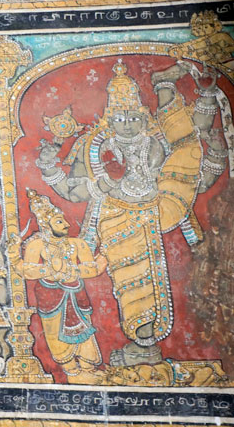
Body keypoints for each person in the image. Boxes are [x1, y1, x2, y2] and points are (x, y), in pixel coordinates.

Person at [35, 59, 227, 366]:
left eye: (134, 118)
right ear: (110, 119)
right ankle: (143, 345)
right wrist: (48, 166)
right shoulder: (93, 147)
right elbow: (74, 192)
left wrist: (214, 147)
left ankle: (164, 85)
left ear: (143, 117)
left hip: (158, 214)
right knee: (129, 288)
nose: (127, 124)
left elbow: (191, 170)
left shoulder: (156, 143)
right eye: (120, 118)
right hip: (115, 220)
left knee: (169, 283)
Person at [9, 188, 107, 384]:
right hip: (50, 298)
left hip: (77, 295)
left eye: (64, 221)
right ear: (46, 224)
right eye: (60, 222)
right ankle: (72, 373)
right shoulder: (37, 245)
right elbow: (27, 271)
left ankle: (88, 368)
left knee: (85, 333)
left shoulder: (77, 244)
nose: (67, 224)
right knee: (57, 338)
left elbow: (92, 269)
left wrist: (75, 269)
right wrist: (16, 255)